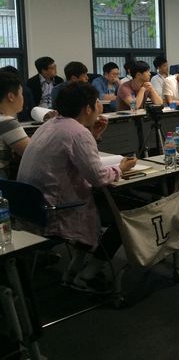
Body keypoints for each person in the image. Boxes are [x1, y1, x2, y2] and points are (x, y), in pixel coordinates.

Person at [17, 82, 137, 292]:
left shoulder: (49, 125)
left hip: (32, 210)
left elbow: (77, 161)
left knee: (102, 202)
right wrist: (121, 168)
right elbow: (98, 177)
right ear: (88, 108)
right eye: (97, 102)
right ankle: (87, 275)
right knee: (125, 216)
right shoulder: (78, 132)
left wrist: (94, 135)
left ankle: (73, 271)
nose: (99, 106)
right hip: (57, 211)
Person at [0, 72, 30, 179]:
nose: (23, 98)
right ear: (11, 97)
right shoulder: (6, 122)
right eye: (21, 94)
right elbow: (32, 152)